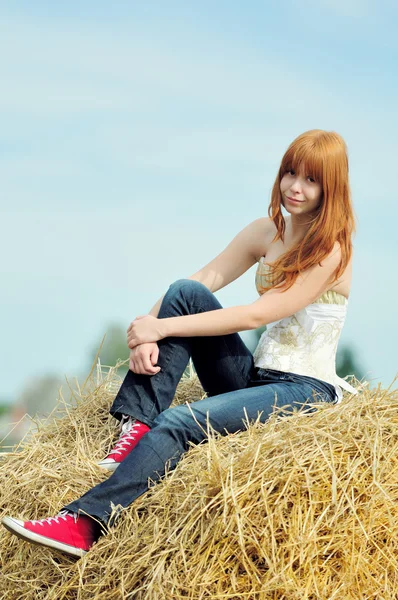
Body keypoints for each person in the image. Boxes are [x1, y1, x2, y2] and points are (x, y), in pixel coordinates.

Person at [2, 129, 358, 558]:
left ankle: (84, 525)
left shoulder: (332, 250)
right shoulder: (267, 231)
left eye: (311, 179)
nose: (295, 187)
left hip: (304, 391)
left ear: (331, 187)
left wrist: (166, 330)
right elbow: (206, 279)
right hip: (257, 379)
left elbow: (259, 314)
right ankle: (135, 427)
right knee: (184, 291)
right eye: (290, 173)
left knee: (180, 423)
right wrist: (147, 326)